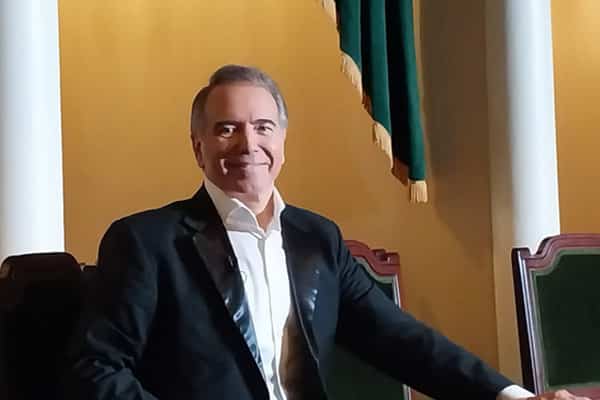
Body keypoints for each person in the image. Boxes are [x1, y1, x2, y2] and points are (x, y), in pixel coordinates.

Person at [64, 65, 589, 400]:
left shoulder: (318, 239)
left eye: (263, 127)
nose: (248, 144)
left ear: (282, 142)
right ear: (198, 146)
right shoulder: (146, 241)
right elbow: (96, 368)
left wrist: (510, 397)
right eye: (226, 129)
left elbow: (403, 342)